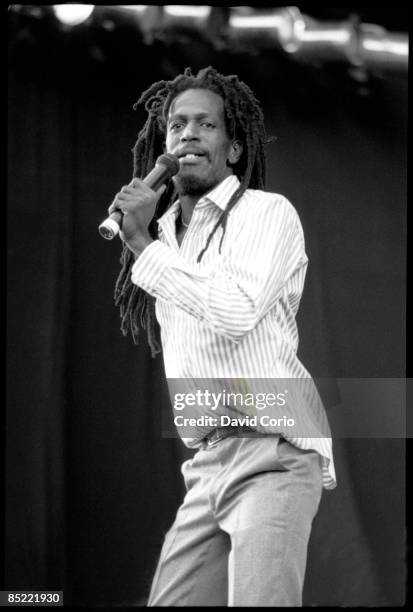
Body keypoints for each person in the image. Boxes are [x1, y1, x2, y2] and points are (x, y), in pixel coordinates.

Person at [107, 66, 336, 606]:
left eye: (205, 125)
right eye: (176, 125)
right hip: (206, 463)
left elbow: (235, 312)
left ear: (233, 149)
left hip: (272, 451)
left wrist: (141, 245)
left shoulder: (265, 213)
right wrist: (149, 240)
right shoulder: (165, 237)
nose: (187, 134)